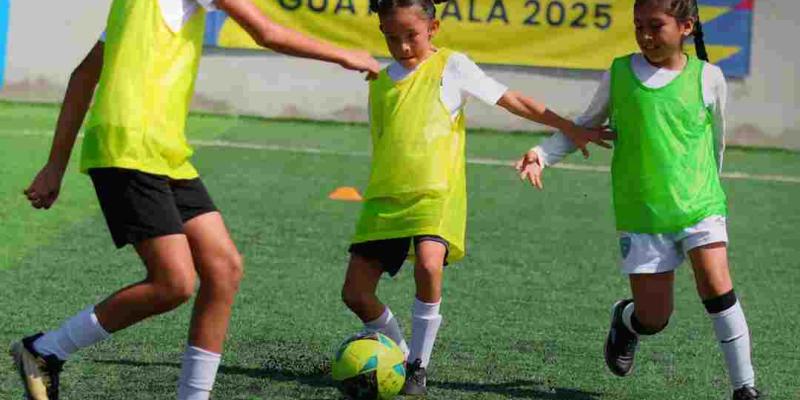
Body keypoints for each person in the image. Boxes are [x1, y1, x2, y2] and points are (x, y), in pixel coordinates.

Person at [10, 0, 380, 399]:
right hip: (129, 147)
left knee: (224, 269)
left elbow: (84, 74)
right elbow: (266, 32)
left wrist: (55, 165)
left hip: (164, 153)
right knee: (174, 282)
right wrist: (345, 53)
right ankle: (45, 350)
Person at [340, 0, 612, 395]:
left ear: (433, 28)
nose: (401, 47)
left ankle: (418, 365)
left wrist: (569, 127)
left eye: (411, 36)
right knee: (355, 294)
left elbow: (511, 99)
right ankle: (397, 354)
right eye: (391, 37)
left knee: (429, 265)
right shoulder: (379, 81)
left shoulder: (452, 65)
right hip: (385, 198)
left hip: (436, 195)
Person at [515, 1, 760, 398]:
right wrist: (542, 154)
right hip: (642, 210)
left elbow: (717, 141)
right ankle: (626, 321)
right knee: (654, 317)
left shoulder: (709, 76)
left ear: (686, 26)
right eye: (638, 26)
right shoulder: (619, 73)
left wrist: (713, 190)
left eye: (655, 26)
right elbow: (585, 125)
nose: (645, 36)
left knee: (717, 287)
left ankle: (745, 388)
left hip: (700, 205)